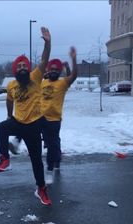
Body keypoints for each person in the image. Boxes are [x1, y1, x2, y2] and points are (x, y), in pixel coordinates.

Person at [0, 26, 52, 206]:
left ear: (28, 68)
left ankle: (41, 189)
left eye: (24, 66)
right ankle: (5, 159)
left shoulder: (35, 77)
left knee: (36, 161)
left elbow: (44, 60)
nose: (21, 68)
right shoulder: (11, 85)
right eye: (18, 66)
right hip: (18, 122)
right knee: (2, 128)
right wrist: (8, 116)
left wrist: (48, 43)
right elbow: (9, 100)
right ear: (15, 70)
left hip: (34, 126)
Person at [40, 47, 78, 180]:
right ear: (48, 70)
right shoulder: (43, 82)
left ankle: (51, 168)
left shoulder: (62, 83)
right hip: (40, 118)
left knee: (52, 144)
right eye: (52, 69)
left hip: (54, 120)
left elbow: (72, 76)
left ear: (59, 71)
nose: (54, 71)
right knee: (27, 127)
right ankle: (17, 141)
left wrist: (73, 59)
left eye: (57, 70)